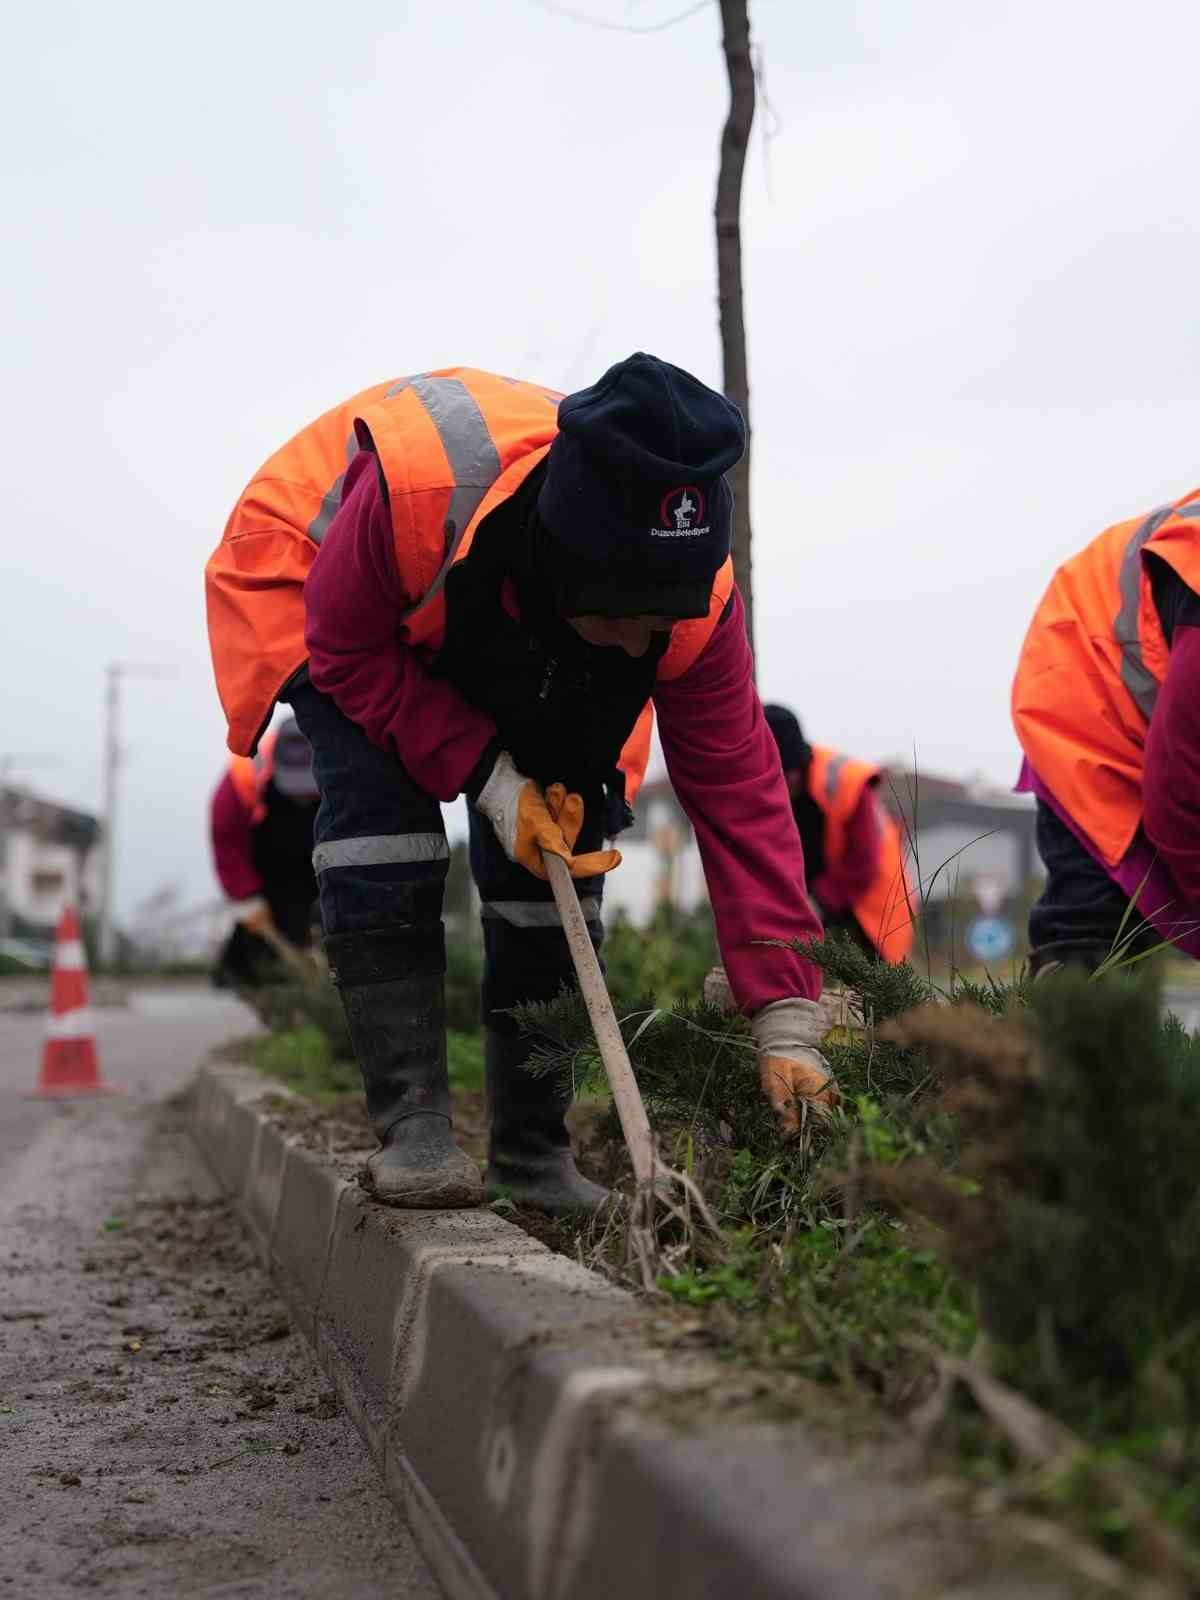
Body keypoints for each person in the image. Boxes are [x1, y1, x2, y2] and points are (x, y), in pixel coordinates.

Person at [206, 355, 837, 1216]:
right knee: (385, 820)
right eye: (620, 615)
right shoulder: (419, 489)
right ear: (561, 558)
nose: (633, 647)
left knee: (564, 855)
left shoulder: (695, 607)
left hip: (495, 624)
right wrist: (487, 777)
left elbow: (741, 795)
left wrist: (787, 1013)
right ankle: (416, 1126)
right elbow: (349, 651)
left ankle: (533, 1156)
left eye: (657, 624)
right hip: (332, 579)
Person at [1012, 489, 1200, 973]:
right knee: (1094, 935)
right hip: (1086, 689)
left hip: (1162, 685)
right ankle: (1070, 1019)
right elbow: (1177, 790)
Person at [761, 705, 914, 963]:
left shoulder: (847, 781)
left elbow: (864, 862)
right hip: (827, 908)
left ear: (796, 766)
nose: (780, 785)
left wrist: (817, 902)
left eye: (783, 775)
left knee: (871, 992)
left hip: (874, 911)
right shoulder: (782, 793)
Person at [210, 717, 320, 987]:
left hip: (317, 856)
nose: (302, 796)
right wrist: (245, 895)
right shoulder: (242, 778)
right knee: (259, 943)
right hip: (266, 864)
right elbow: (227, 842)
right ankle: (246, 978)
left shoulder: (343, 760)